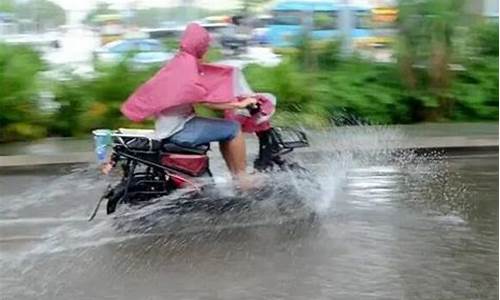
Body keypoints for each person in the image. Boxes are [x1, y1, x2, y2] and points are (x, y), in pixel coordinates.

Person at [106, 23, 258, 184]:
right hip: (179, 129)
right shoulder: (187, 66)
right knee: (233, 129)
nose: (206, 48)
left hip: (170, 127)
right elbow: (204, 100)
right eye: (205, 44)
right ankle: (243, 178)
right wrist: (239, 105)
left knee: (224, 130)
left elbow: (203, 83)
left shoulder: (180, 61)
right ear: (199, 44)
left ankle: (236, 177)